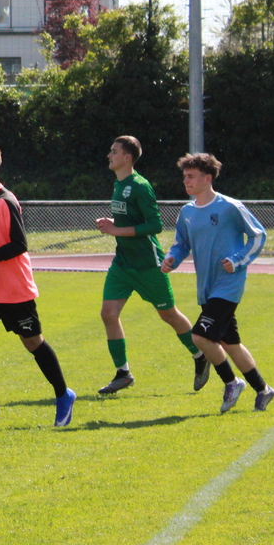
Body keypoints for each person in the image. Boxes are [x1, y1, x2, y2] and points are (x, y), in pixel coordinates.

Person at [0, 143, 77, 429]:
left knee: (33, 343)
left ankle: (63, 394)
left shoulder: (6, 201)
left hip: (12, 288)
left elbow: (20, 245)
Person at [161, 153, 274, 414]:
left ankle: (231, 382)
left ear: (207, 178)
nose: (186, 181)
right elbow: (181, 245)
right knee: (229, 343)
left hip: (228, 284)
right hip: (206, 287)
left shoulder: (230, 207)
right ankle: (263, 389)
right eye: (184, 176)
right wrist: (171, 259)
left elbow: (258, 235)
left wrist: (237, 260)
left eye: (191, 176)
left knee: (200, 336)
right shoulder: (187, 212)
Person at [93, 135, 208, 395]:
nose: (109, 155)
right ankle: (123, 373)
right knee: (108, 314)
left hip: (148, 264)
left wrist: (116, 230)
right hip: (123, 263)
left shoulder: (140, 186)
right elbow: (129, 221)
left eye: (114, 151)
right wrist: (112, 223)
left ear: (127, 157)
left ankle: (200, 354)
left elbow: (155, 225)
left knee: (168, 314)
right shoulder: (118, 184)